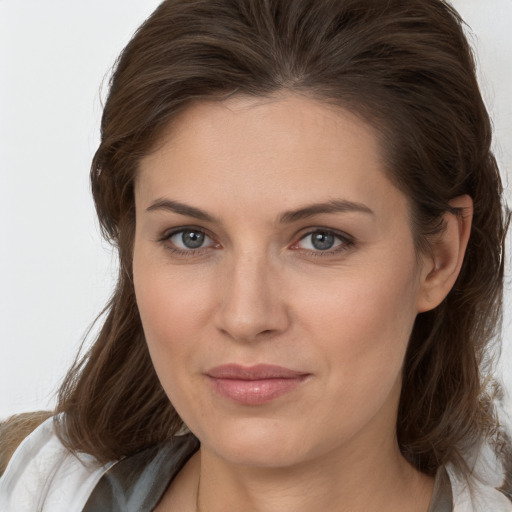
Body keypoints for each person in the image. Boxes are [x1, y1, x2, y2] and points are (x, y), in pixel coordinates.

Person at [0, 0, 511, 510]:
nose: (245, 317)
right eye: (191, 238)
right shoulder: (29, 488)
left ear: (439, 257)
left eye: (321, 239)